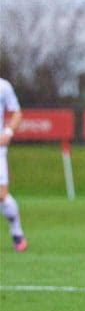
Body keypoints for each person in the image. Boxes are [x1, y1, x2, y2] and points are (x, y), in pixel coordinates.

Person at [0, 77, 27, 252]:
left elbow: (17, 113)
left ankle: (17, 232)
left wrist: (8, 131)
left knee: (1, 195)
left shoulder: (3, 86)